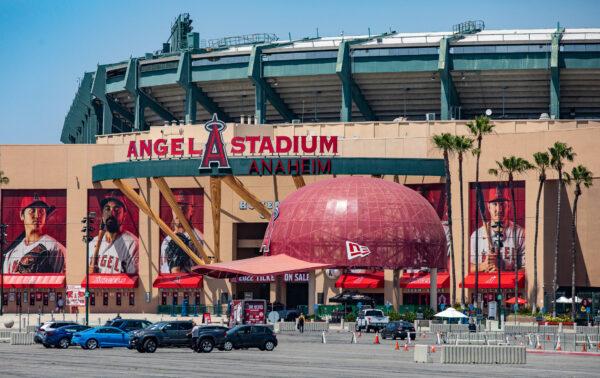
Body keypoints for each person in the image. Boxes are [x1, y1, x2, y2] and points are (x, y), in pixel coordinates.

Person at [2, 194, 66, 273]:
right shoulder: (11, 254)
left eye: (41, 211)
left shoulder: (55, 247)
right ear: (22, 215)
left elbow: (62, 281)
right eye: (32, 211)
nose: (37, 215)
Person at [470, 184, 525, 272]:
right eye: (494, 204)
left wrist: (502, 274)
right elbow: (468, 268)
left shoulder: (520, 233)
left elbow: (526, 269)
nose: (499, 209)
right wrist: (482, 266)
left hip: (509, 285)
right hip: (484, 284)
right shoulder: (476, 235)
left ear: (509, 206)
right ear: (488, 207)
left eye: (502, 204)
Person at [88, 190, 139, 274]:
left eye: (116, 209)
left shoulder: (132, 244)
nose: (111, 213)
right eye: (107, 209)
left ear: (124, 215)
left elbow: (133, 281)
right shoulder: (92, 243)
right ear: (102, 214)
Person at [159, 191, 203, 273]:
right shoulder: (167, 240)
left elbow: (204, 272)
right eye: (176, 207)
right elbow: (163, 270)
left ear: (191, 210)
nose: (179, 211)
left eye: (183, 207)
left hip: (191, 284)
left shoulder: (199, 239)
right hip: (171, 284)